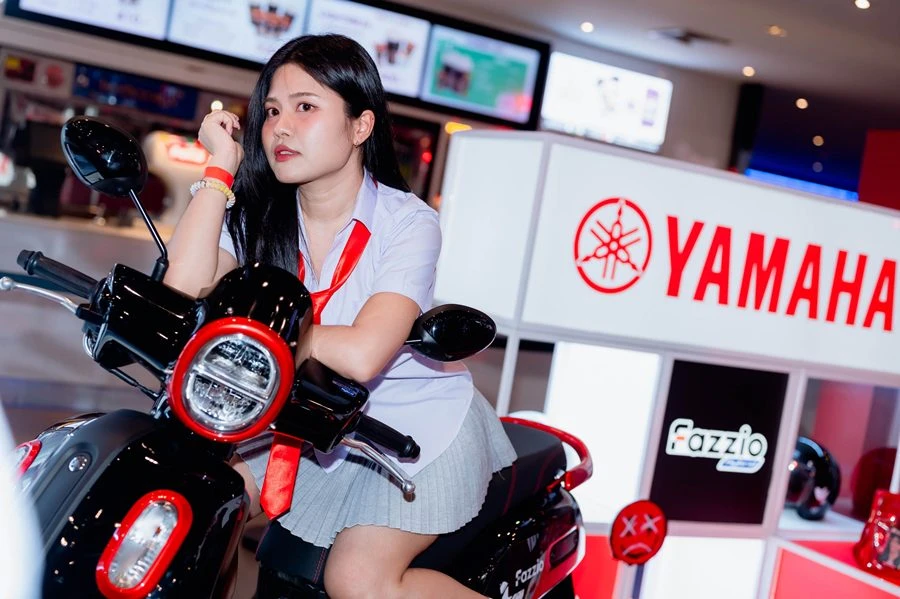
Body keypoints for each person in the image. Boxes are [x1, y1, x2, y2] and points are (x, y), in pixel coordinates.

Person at [163, 34, 516, 598]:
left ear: (360, 126)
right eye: (271, 111)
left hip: (405, 426)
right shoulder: (259, 215)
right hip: (297, 414)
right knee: (193, 511)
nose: (280, 127)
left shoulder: (407, 222)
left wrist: (269, 336)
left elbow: (364, 353)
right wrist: (219, 168)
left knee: (357, 579)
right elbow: (183, 293)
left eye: (305, 107)